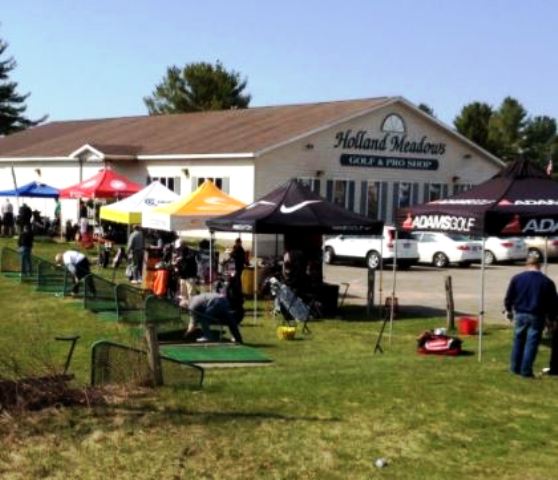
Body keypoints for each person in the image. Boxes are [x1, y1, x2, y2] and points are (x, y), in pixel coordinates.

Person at [504, 256, 558, 378]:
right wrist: (552, 318)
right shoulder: (547, 282)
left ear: (527, 265)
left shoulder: (517, 278)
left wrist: (508, 309)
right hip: (537, 315)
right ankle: (526, 371)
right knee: (531, 343)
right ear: (539, 265)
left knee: (518, 340)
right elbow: (553, 303)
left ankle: (514, 367)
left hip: (521, 313)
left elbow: (509, 297)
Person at [174, 240, 199, 304]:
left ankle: (192, 308)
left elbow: (191, 259)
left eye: (180, 247)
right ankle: (184, 307)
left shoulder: (191, 251)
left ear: (184, 245)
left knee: (191, 293)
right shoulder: (178, 252)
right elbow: (179, 262)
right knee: (183, 293)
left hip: (190, 276)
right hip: (183, 276)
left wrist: (182, 258)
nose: (179, 249)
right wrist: (176, 264)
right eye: (178, 248)